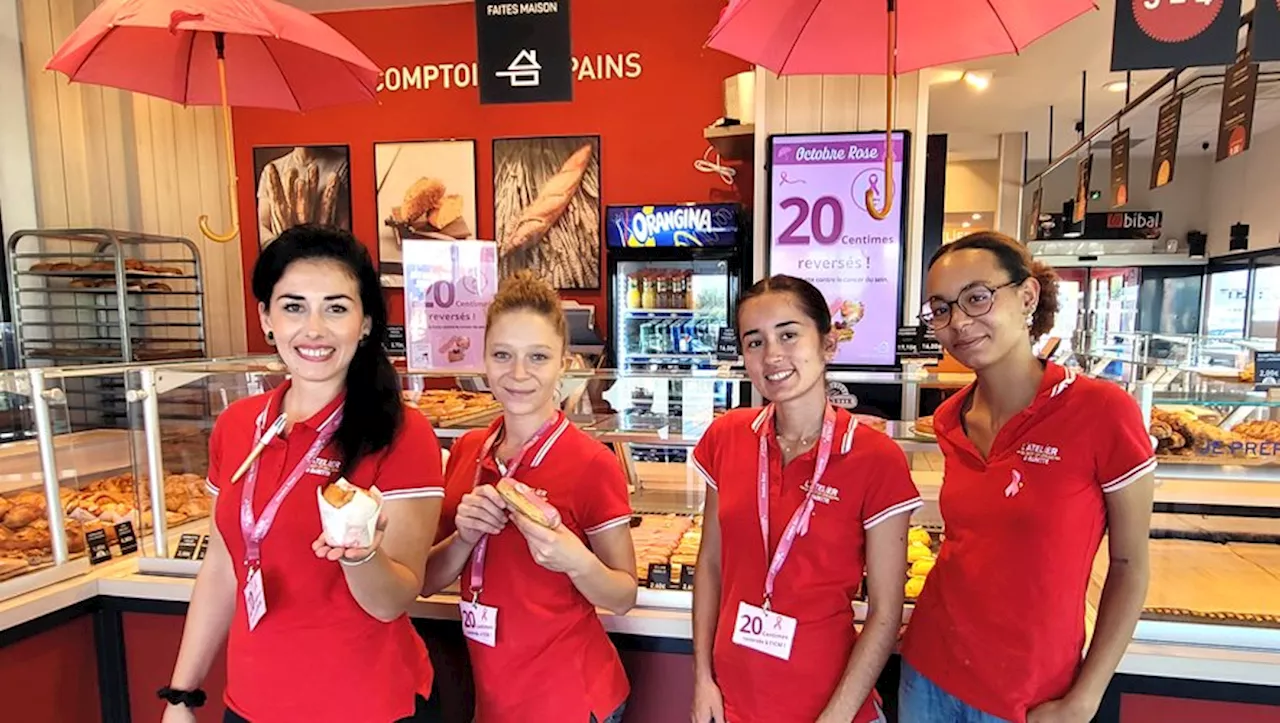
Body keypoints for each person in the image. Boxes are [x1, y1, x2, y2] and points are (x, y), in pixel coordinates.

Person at [161, 226, 445, 723]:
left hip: (366, 706)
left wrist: (362, 557)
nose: (313, 329)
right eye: (293, 306)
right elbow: (223, 566)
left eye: (336, 307)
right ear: (266, 319)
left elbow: (394, 600)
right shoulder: (237, 425)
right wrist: (183, 695)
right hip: (249, 703)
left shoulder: (402, 432)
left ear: (365, 323)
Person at [899, 231, 1156, 723]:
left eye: (977, 297)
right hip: (928, 672)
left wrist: (1085, 697)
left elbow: (1128, 564)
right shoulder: (951, 419)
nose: (959, 322)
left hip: (1030, 695)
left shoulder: (1102, 411)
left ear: (1027, 296)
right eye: (942, 308)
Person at [690, 275, 923, 723]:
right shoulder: (727, 437)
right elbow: (711, 565)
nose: (772, 355)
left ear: (828, 344)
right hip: (730, 699)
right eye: (754, 341)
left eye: (789, 334)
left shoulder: (875, 458)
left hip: (827, 703)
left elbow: (884, 613)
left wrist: (833, 719)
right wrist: (702, 678)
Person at [422, 270, 637, 723]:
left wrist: (572, 557)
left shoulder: (592, 463)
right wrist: (462, 538)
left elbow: (622, 595)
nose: (518, 374)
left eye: (537, 357)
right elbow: (424, 581)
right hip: (495, 699)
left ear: (564, 362)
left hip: (572, 700)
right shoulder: (465, 450)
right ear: (484, 360)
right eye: (503, 355)